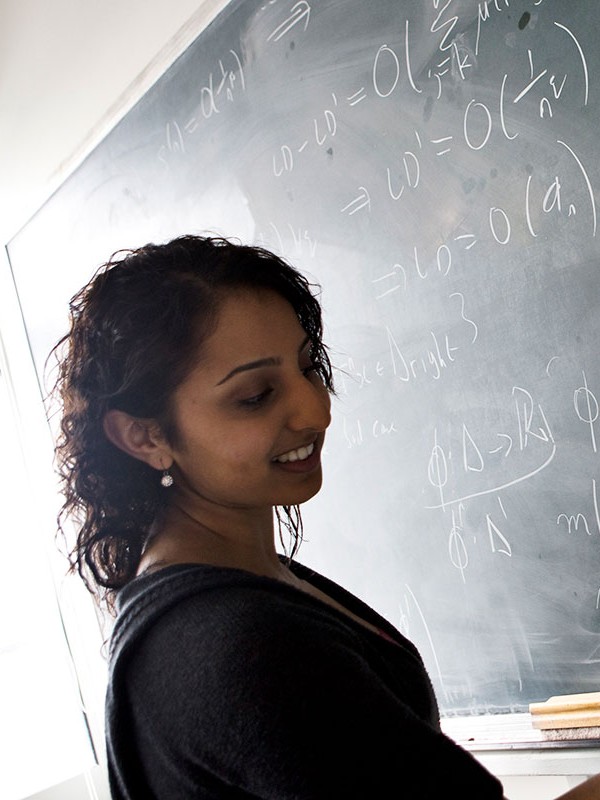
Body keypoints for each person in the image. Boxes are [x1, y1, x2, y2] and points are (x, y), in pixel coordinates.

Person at [51, 234, 600, 799]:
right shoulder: (236, 645)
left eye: (309, 367)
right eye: (256, 395)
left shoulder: (238, 586)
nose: (316, 411)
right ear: (146, 435)